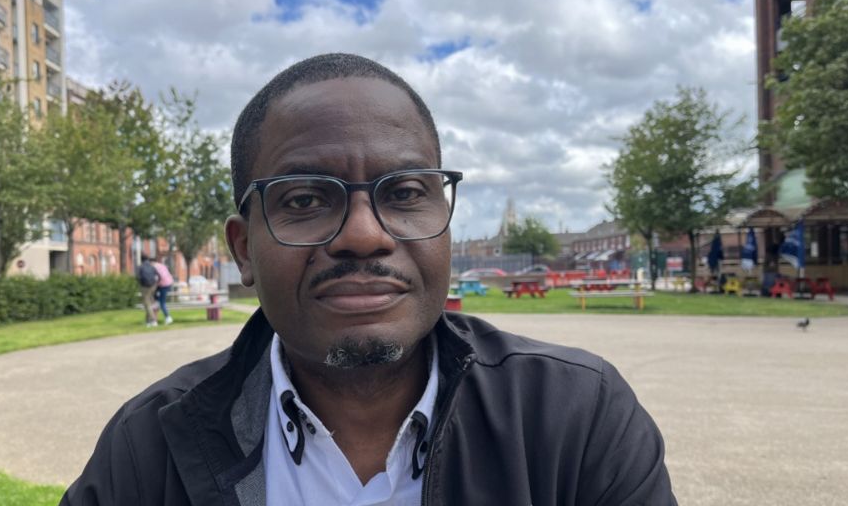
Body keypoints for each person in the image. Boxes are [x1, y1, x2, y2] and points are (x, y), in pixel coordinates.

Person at [62, 54, 677, 505]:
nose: (363, 235)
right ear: (244, 250)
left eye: (406, 192)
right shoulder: (150, 448)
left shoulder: (576, 416)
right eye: (304, 200)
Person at [135, 255, 160, 327]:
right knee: (150, 303)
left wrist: (141, 284)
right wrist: (156, 285)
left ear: (141, 260)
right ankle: (148, 321)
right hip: (153, 286)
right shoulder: (152, 267)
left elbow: (138, 277)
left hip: (145, 287)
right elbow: (158, 276)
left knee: (147, 304)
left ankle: (153, 320)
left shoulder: (141, 267)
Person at [153, 257, 175, 325]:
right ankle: (155, 319)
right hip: (168, 283)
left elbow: (157, 278)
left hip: (163, 285)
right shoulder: (162, 266)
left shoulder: (154, 267)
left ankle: (168, 317)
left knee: (161, 302)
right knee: (158, 301)